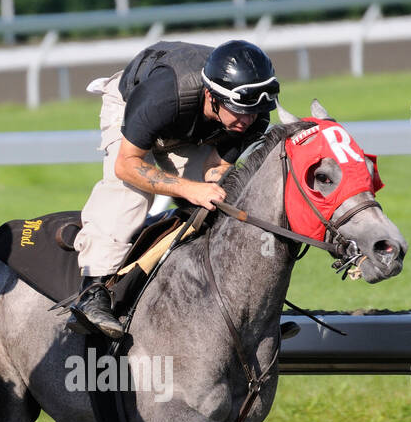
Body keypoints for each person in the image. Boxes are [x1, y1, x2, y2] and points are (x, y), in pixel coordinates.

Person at [68, 39, 280, 338]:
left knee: (213, 203)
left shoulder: (253, 116)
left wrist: (202, 191)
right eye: (239, 111)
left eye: (254, 112)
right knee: (131, 195)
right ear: (212, 96)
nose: (247, 121)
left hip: (191, 127)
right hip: (134, 109)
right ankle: (92, 292)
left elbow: (214, 169)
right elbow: (127, 164)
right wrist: (189, 189)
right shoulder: (163, 97)